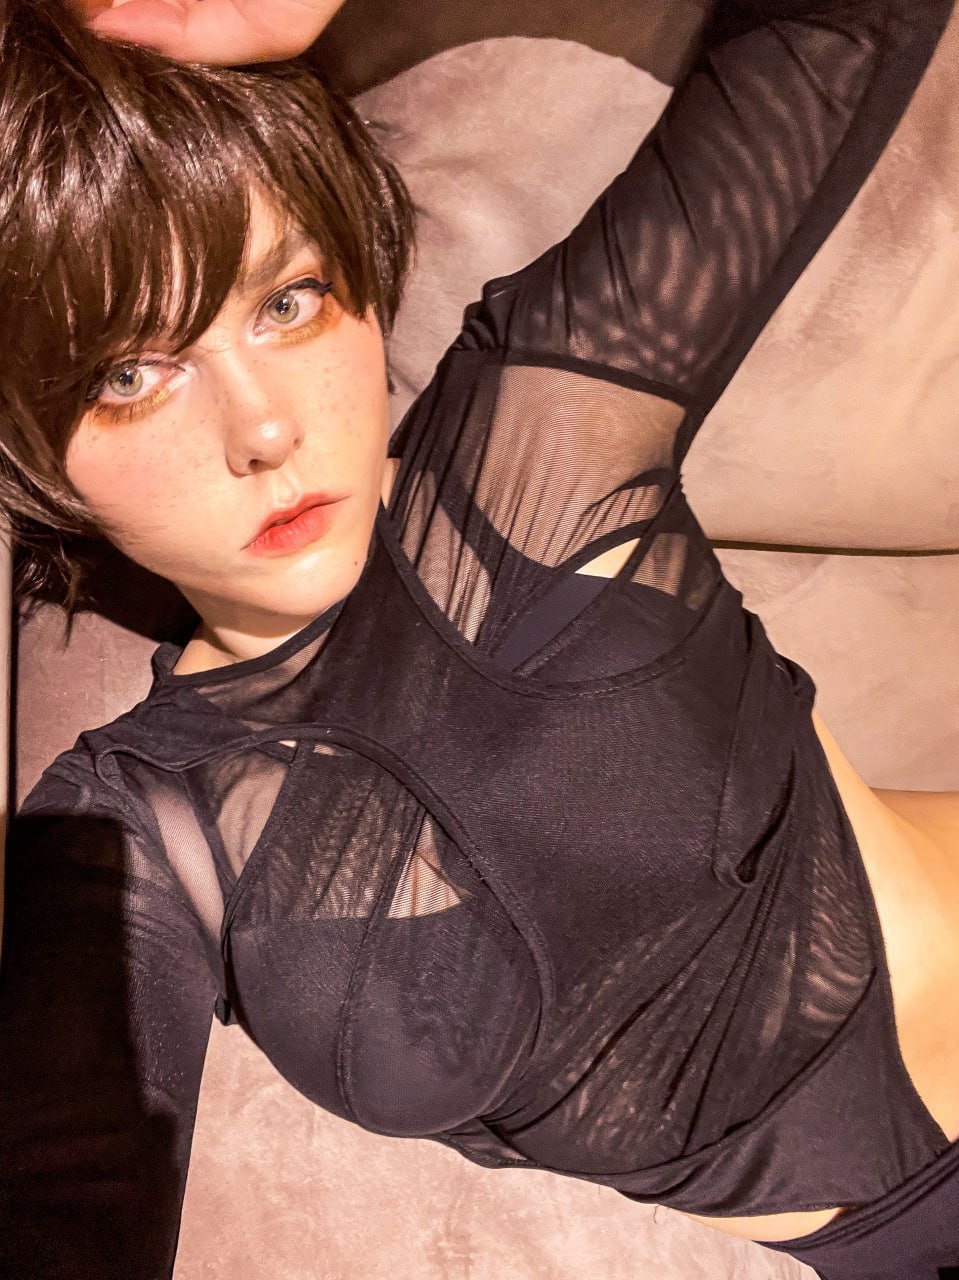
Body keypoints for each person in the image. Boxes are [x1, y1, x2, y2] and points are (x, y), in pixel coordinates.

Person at [1, 1, 956, 1277]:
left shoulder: (543, 425)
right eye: (129, 374)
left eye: (288, 300)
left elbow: (842, 28)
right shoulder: (139, 828)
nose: (264, 428)